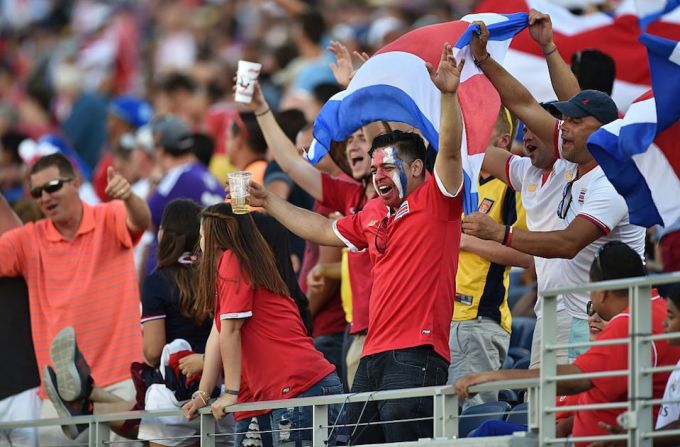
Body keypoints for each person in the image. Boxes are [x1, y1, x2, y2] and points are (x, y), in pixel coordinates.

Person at [243, 43, 465, 443]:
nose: (378, 175)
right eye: (375, 167)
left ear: (417, 168)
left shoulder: (438, 200)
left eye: (388, 166)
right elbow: (322, 230)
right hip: (371, 355)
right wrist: (271, 202)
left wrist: (448, 96)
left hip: (417, 353)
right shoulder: (373, 213)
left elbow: (448, 148)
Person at [464, 18, 645, 362]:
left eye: (576, 123)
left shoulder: (613, 178)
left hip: (595, 321)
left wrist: (499, 233)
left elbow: (566, 244)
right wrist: (485, 60)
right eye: (566, 122)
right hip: (553, 313)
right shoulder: (567, 162)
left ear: (603, 133)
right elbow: (524, 105)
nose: (564, 129)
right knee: (546, 415)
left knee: (571, 415)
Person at [454, 242, 680, 446]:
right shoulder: (655, 309)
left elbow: (573, 380)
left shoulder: (629, 322)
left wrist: (491, 377)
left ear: (603, 292)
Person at [0, 152, 150, 443]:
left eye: (53, 185)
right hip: (59, 397)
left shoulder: (109, 215)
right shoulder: (29, 239)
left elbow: (141, 219)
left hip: (119, 382)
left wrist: (129, 196)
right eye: (37, 192)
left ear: (76, 182)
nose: (45, 197)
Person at [182, 203, 342, 446]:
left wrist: (230, 394)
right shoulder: (240, 266)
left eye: (203, 234)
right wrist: (203, 395)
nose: (200, 240)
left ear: (219, 235)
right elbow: (219, 334)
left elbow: (231, 331)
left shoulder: (232, 261)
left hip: (298, 388)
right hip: (302, 388)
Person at [449, 106, 531, 408]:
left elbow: (527, 256)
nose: (467, 139)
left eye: (477, 132)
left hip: (478, 321)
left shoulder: (513, 186)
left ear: (503, 140)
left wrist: (466, 242)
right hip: (441, 319)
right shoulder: (457, 180)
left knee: (471, 421)